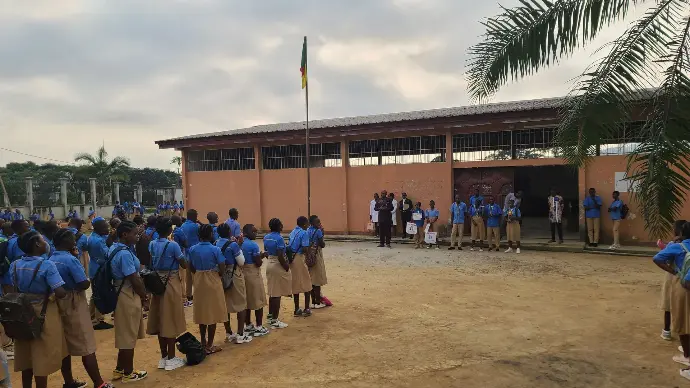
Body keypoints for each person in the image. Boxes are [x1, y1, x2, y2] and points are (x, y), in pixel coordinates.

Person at [50, 229, 114, 388]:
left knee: (65, 346)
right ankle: (99, 383)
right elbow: (84, 283)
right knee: (86, 344)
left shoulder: (51, 258)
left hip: (57, 302)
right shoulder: (70, 260)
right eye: (72, 239)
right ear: (66, 242)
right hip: (73, 300)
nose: (75, 241)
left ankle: (69, 381)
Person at [11, 231, 72, 388]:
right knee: (41, 355)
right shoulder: (46, 265)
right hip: (43, 311)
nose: (46, 243)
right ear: (37, 244)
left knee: (26, 355)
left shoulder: (15, 264)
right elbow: (60, 292)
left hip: (22, 311)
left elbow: (12, 287)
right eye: (43, 240)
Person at [110, 221, 148, 383]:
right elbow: (134, 278)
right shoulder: (124, 254)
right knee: (128, 335)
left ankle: (119, 368)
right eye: (134, 233)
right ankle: (128, 372)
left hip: (121, 292)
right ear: (125, 235)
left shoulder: (115, 248)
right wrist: (145, 297)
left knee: (125, 332)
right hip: (127, 293)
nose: (137, 235)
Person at [147, 217, 187, 371]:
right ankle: (171, 357)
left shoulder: (152, 244)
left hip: (157, 282)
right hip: (170, 283)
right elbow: (183, 263)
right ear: (170, 230)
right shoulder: (173, 245)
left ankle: (163, 357)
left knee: (160, 319)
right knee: (170, 318)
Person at [653, 222, 690, 378]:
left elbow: (657, 258)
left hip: (683, 287)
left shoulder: (678, 246)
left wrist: (675, 271)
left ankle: (687, 358)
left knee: (681, 322)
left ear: (681, 233)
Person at [187, 224, 228, 355]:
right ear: (211, 235)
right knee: (213, 313)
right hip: (212, 279)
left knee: (202, 312)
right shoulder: (215, 249)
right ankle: (210, 344)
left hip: (199, 280)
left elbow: (190, 266)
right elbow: (222, 267)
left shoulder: (192, 249)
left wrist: (199, 273)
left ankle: (203, 342)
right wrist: (216, 274)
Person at [215, 223, 252, 345]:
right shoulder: (233, 245)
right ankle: (240, 334)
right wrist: (239, 246)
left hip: (221, 275)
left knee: (226, 304)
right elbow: (241, 262)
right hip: (234, 275)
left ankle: (229, 332)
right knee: (240, 303)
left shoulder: (215, 244)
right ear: (229, 232)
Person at [658, 220, 686, 341]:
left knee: (668, 304)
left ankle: (667, 330)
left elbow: (661, 258)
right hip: (685, 276)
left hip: (672, 276)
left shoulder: (673, 245)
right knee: (683, 306)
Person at [241, 224, 270, 337]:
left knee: (247, 300)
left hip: (243, 272)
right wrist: (262, 256)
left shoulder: (239, 243)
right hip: (253, 273)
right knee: (258, 300)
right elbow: (257, 262)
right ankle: (259, 326)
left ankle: (248, 324)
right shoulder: (253, 245)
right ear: (247, 233)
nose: (256, 234)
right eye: (254, 232)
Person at [86, 217, 114, 330]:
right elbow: (108, 254)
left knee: (95, 293)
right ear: (98, 228)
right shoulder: (98, 241)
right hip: (99, 270)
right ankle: (98, 320)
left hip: (94, 267)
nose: (107, 228)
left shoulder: (93, 237)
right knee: (100, 294)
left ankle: (91, 316)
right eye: (105, 227)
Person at [264, 218, 291, 329]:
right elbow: (280, 255)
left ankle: (270, 317)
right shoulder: (279, 238)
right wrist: (286, 266)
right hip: (277, 264)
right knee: (277, 294)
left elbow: (266, 251)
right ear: (279, 226)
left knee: (272, 292)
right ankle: (275, 320)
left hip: (269, 263)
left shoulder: (266, 237)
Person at [288, 216, 312, 316]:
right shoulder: (304, 233)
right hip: (299, 258)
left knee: (295, 283)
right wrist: (309, 256)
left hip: (292, 259)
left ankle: (297, 308)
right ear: (304, 224)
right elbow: (305, 248)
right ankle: (307, 308)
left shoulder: (292, 232)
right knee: (307, 282)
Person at [180, 209, 201, 307]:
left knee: (188, 277)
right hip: (195, 254)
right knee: (196, 276)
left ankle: (189, 295)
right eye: (196, 215)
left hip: (185, 254)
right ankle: (197, 295)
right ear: (193, 216)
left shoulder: (183, 225)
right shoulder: (195, 226)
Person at [308, 215, 328, 309]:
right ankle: (317, 302)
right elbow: (322, 244)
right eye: (317, 222)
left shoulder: (307, 230)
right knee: (317, 280)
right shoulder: (318, 231)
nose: (319, 224)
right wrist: (322, 234)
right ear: (312, 223)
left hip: (308, 255)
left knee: (311, 279)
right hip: (316, 255)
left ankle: (312, 301)